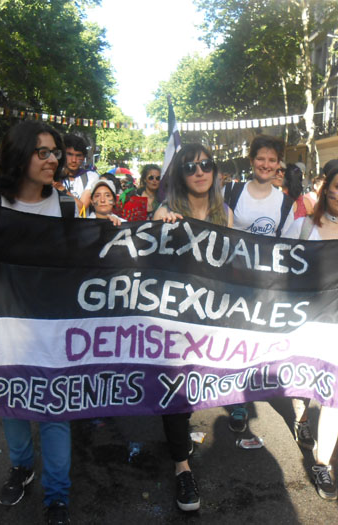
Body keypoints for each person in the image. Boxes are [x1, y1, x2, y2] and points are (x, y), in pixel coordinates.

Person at [0, 120, 72, 524]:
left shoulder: (67, 206)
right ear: (20, 153)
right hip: (5, 329)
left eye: (55, 152)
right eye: (43, 152)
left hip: (55, 328)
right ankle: (21, 468)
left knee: (56, 410)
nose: (52, 159)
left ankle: (58, 495)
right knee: (14, 406)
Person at [153, 143, 233, 513]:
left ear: (215, 171)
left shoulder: (226, 214)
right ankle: (181, 467)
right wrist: (161, 230)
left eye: (206, 165)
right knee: (175, 394)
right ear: (180, 175)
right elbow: (146, 265)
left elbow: (234, 267)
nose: (199, 172)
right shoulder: (165, 211)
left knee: (196, 385)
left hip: (210, 317)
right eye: (190, 167)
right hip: (173, 318)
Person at [289, 164, 338, 501]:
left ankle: (322, 463)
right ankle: (300, 415)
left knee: (334, 397)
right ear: (326, 189)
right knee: (302, 380)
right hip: (303, 324)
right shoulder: (303, 226)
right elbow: (276, 265)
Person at [223, 135, 295, 433]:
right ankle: (238, 402)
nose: (266, 164)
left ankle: (252, 388)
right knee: (234, 341)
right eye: (261, 158)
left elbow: (289, 249)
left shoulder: (286, 204)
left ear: (279, 165)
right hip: (230, 281)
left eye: (272, 160)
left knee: (255, 342)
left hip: (265, 285)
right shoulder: (231, 191)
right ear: (252, 160)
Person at [55, 133, 98, 212]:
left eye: (78, 155)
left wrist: (61, 189)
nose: (74, 160)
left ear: (84, 157)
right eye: (69, 154)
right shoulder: (54, 175)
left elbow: (81, 209)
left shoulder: (91, 177)